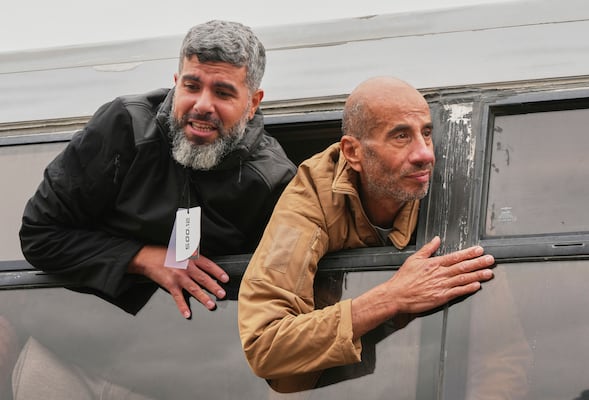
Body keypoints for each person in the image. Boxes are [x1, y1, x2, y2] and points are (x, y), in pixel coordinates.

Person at [19, 20, 297, 319]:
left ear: (253, 103)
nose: (202, 105)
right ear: (176, 82)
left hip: (206, 341)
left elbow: (278, 291)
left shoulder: (273, 180)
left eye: (223, 93)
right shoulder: (125, 127)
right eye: (191, 86)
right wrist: (140, 258)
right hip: (87, 321)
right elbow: (40, 235)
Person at [237, 76, 496, 393]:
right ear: (352, 152)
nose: (425, 154)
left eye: (426, 133)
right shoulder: (311, 198)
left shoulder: (452, 184)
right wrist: (391, 297)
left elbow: (502, 356)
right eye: (401, 136)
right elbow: (266, 344)